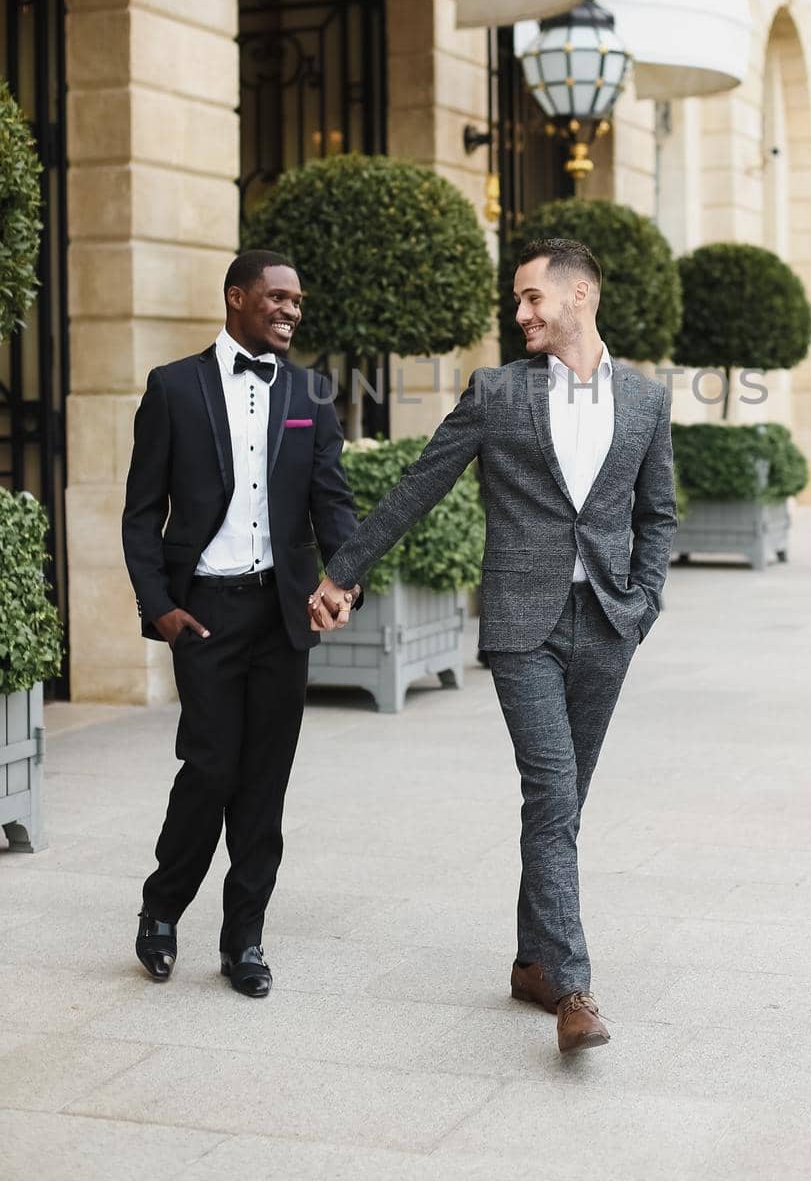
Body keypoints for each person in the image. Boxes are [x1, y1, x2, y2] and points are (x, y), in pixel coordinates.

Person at [309, 237, 676, 1053]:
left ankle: (530, 964)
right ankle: (574, 989)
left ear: (579, 296)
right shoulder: (497, 393)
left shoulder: (646, 402)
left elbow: (656, 514)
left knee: (564, 804)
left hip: (609, 622)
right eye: (516, 301)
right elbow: (419, 485)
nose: (519, 314)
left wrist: (644, 602)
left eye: (531, 299)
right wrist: (344, 573)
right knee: (550, 792)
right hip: (522, 626)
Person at [122, 250, 360, 996]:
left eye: (298, 300)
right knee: (211, 765)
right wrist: (158, 607)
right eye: (276, 297)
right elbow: (139, 513)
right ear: (236, 298)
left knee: (265, 781)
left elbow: (332, 499)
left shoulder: (311, 393)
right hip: (205, 613)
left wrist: (343, 578)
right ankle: (161, 911)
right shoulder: (173, 388)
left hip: (280, 612)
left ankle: (244, 940)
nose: (291, 310)